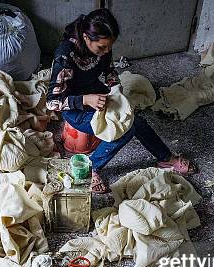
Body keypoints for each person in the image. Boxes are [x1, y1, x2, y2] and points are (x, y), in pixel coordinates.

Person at [46, 9, 196, 194]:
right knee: (124, 131)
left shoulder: (103, 47)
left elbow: (109, 73)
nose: (106, 51)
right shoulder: (65, 55)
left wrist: (117, 91)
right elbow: (52, 102)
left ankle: (165, 157)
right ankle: (91, 167)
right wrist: (86, 99)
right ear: (86, 38)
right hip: (76, 108)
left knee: (135, 120)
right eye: (101, 47)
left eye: (109, 46)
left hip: (98, 97)